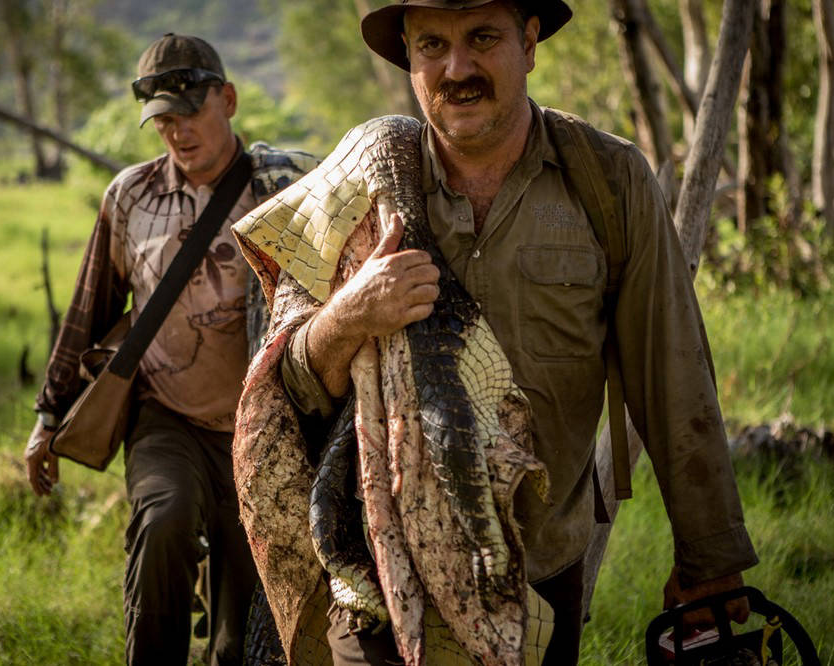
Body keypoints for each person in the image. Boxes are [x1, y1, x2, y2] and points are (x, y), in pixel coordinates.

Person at [272, 1, 759, 664]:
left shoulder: (609, 180)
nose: (457, 68)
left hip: (541, 573)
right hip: (379, 578)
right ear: (409, 57)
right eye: (432, 45)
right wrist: (352, 313)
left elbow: (670, 371)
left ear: (529, 42)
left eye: (482, 38)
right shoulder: (354, 185)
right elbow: (291, 383)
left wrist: (710, 553)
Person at [23, 33, 316, 666]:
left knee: (248, 611)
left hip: (260, 430)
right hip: (167, 418)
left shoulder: (284, 190)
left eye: (189, 113)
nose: (178, 133)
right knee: (163, 523)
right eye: (162, 122)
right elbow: (89, 308)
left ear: (228, 100)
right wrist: (48, 417)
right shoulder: (131, 197)